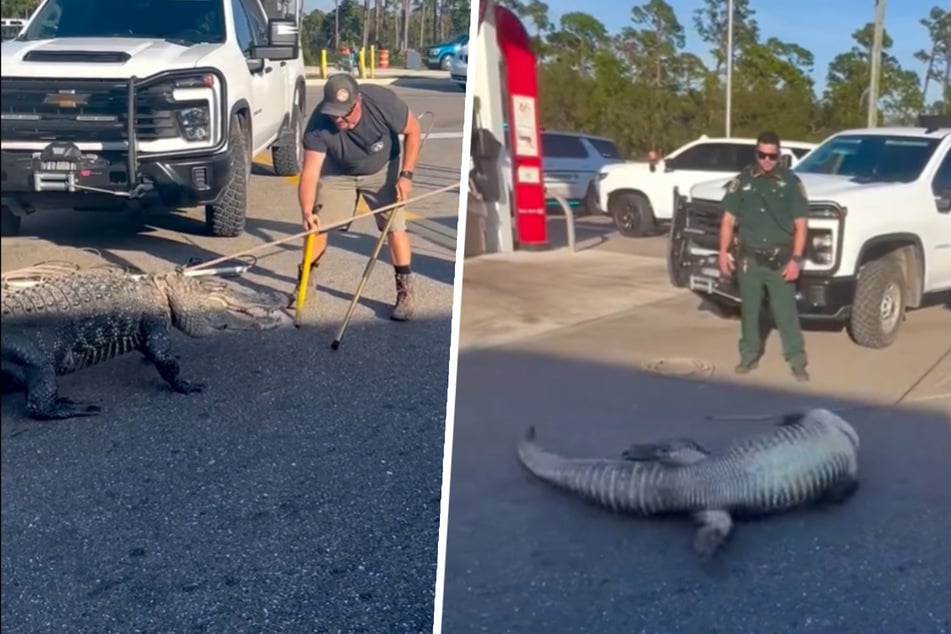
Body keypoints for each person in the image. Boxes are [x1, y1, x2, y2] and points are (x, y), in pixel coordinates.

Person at [293, 73, 422, 321]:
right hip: (338, 171)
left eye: (345, 113)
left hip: (382, 168)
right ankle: (306, 282)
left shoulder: (382, 102)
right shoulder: (318, 124)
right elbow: (309, 173)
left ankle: (405, 290)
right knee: (317, 226)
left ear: (358, 101)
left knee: (395, 226)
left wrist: (406, 175)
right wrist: (307, 211)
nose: (339, 119)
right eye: (334, 114)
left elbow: (414, 131)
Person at [718, 130, 810, 382]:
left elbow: (801, 225)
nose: (767, 160)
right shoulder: (743, 181)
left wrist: (796, 259)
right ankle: (748, 356)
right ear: (756, 153)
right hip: (750, 260)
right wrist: (723, 252)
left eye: (772, 156)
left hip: (780, 261)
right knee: (749, 313)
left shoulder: (791, 183)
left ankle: (797, 361)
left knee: (786, 314)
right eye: (762, 155)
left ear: (779, 155)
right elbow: (728, 220)